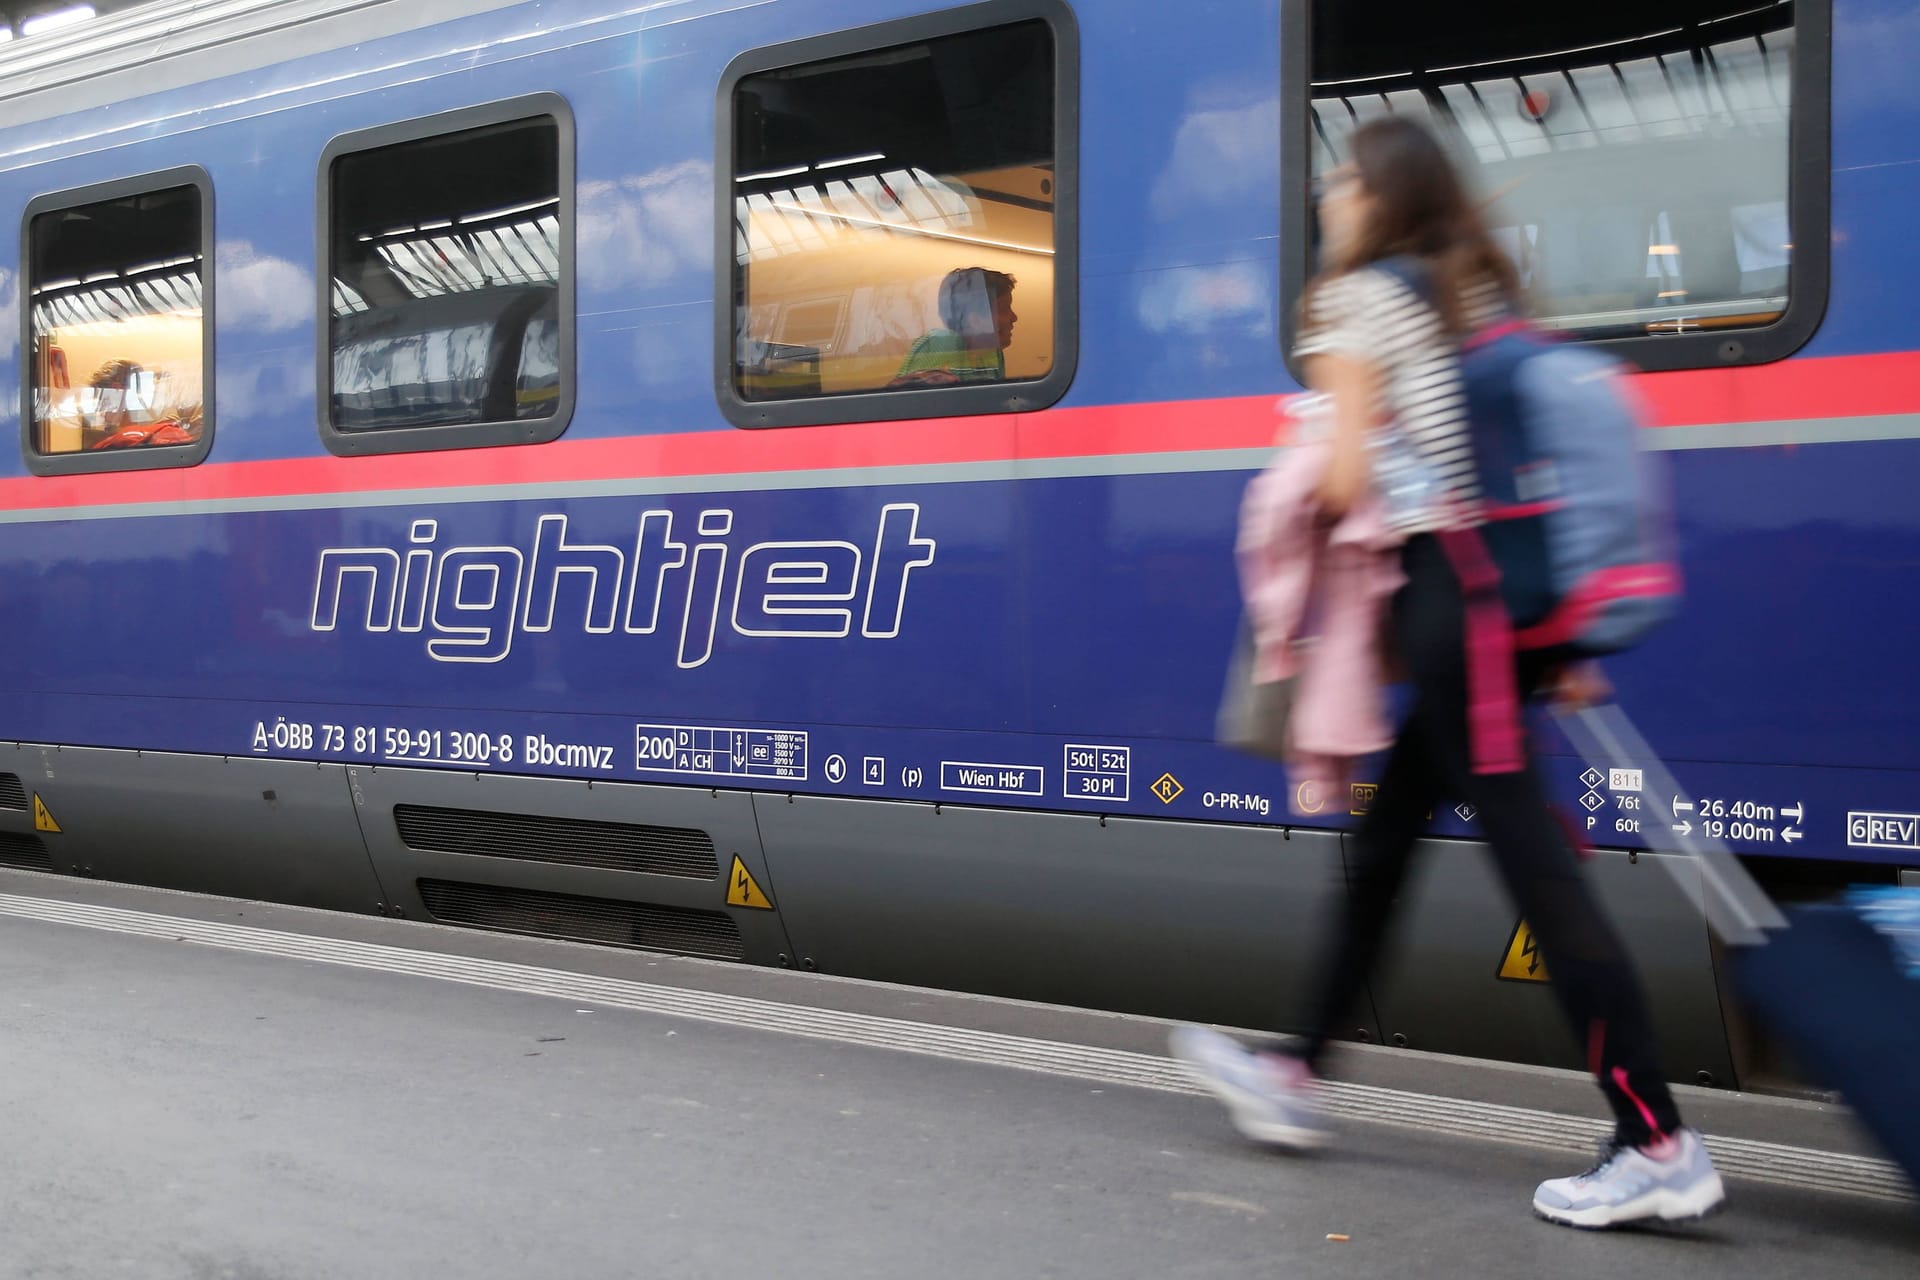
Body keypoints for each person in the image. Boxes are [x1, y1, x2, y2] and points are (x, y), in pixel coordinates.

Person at [1169, 116, 1726, 1230]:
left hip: (1452, 609)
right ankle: (1294, 1070)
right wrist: (1544, 634)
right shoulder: (1456, 286)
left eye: (1342, 176)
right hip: (1477, 612)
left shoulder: (1362, 297)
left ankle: (1656, 1136)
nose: (1327, 191)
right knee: (1384, 848)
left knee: (1537, 870)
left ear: (1381, 193)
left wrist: (1302, 476)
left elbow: (1336, 481)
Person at [890, 267, 1017, 387]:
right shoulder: (941, 342)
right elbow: (913, 402)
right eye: (1005, 309)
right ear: (975, 320)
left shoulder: (992, 352)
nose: (1014, 317)